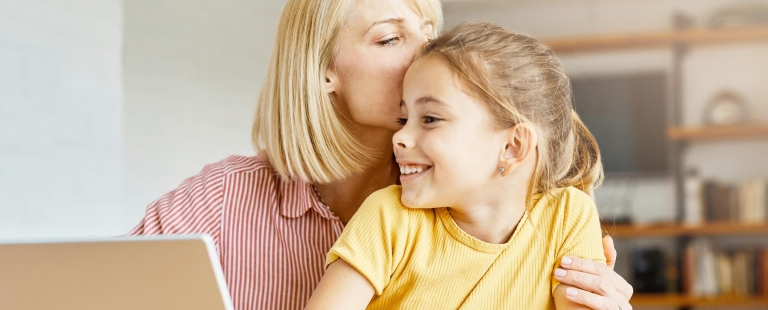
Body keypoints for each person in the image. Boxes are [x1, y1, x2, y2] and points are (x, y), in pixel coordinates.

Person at [129, 0, 633, 309]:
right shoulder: (221, 200)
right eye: (391, 38)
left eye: (429, 35)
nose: (424, 55)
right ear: (324, 70)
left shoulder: (513, 201)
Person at [305, 21, 627, 310]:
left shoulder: (568, 217)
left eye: (429, 119)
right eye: (404, 119)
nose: (400, 136)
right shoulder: (388, 218)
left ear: (512, 147)